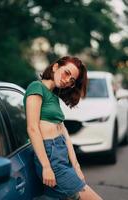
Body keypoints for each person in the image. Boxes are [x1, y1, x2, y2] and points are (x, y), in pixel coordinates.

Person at [23, 56, 103, 200]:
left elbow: (63, 131)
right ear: (55, 67)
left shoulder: (54, 96)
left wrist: (76, 166)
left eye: (72, 80)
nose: (67, 80)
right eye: (66, 73)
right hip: (51, 158)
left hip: (61, 154)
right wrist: (46, 167)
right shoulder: (36, 87)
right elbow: (32, 128)